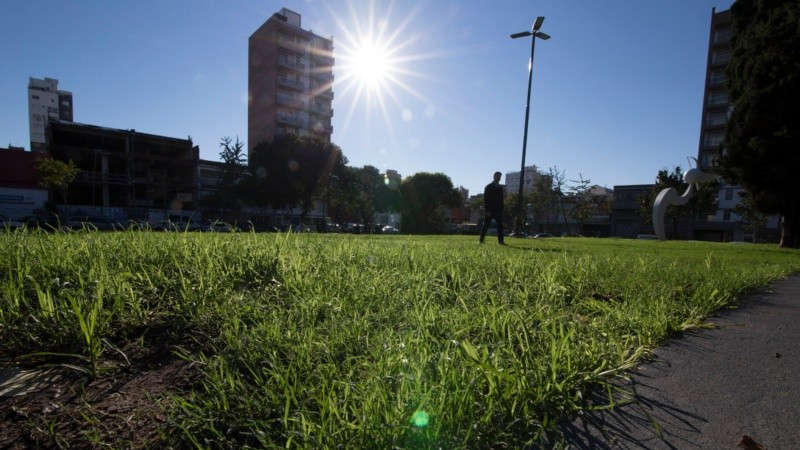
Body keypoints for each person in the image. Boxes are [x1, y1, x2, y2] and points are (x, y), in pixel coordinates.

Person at [479, 171, 505, 244]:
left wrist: (502, 208)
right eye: (497, 176)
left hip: (498, 210)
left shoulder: (500, 188)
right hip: (490, 210)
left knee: (500, 226)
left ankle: (501, 241)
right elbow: (486, 199)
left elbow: (501, 199)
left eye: (500, 177)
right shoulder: (488, 187)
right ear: (494, 176)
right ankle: (481, 240)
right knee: (486, 225)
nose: (499, 178)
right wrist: (487, 210)